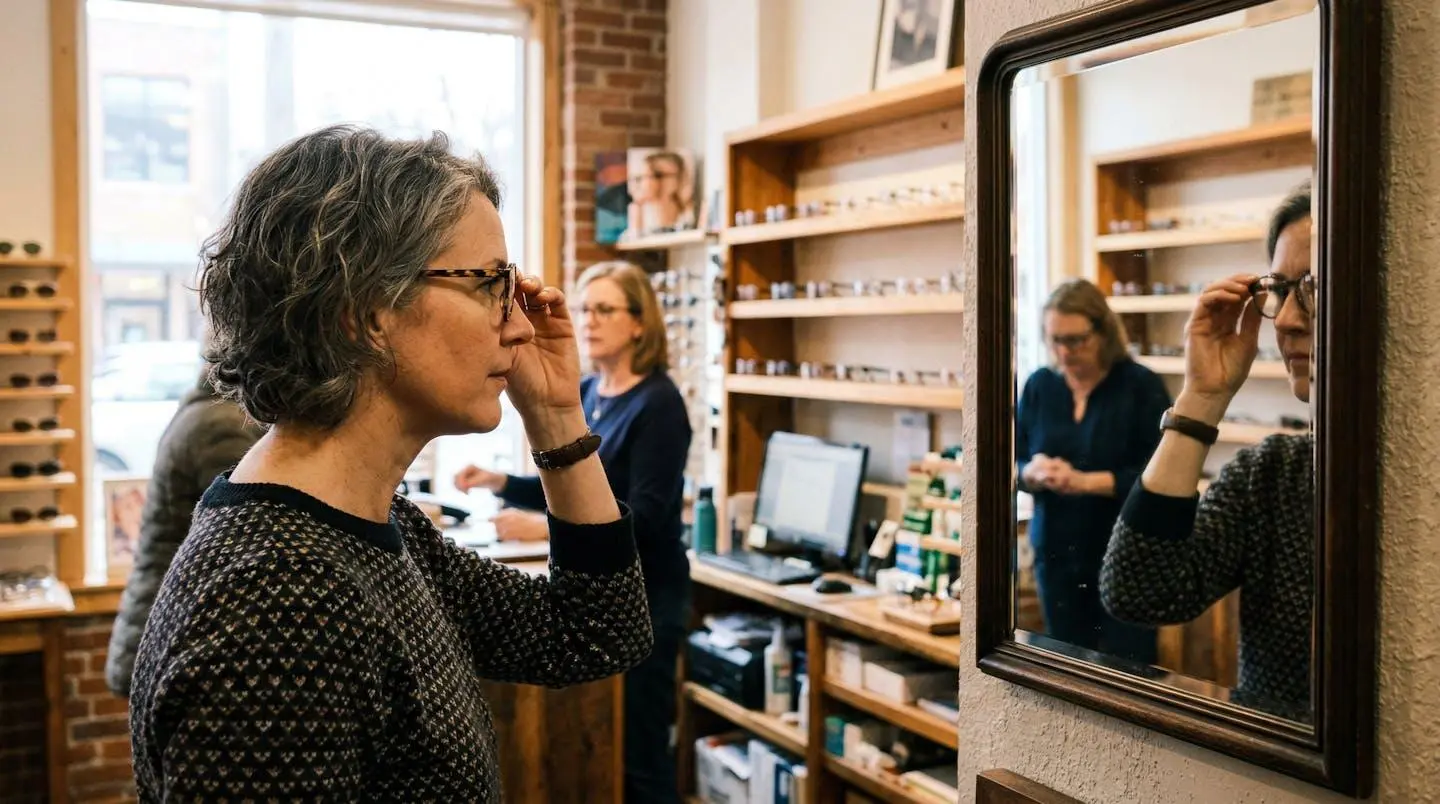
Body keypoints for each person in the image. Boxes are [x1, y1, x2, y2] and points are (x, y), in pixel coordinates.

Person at [127, 125, 654, 801]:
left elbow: (597, 632)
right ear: (365, 311)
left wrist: (555, 416)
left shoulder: (377, 526)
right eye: (489, 284)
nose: (522, 325)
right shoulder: (278, 604)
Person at [455, 259, 692, 804]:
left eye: (605, 309)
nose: (589, 320)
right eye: (584, 308)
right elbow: (571, 484)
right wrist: (500, 481)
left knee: (638, 751)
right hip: (602, 588)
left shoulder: (659, 403)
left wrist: (542, 529)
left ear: (640, 323)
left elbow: (648, 516)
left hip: (650, 597)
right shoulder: (588, 389)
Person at [1101, 180, 1315, 715]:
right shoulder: (1273, 475)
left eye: (1314, 287)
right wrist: (1203, 396)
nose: (1289, 320)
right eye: (1281, 289)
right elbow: (1138, 591)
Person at [1016, 278, 1171, 664]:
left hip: (1125, 558)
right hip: (1056, 555)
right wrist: (1032, 472)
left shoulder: (1141, 387)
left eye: (1075, 340)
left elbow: (1161, 478)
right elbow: (1012, 462)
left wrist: (1085, 482)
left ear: (1103, 333)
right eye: (1054, 340)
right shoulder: (1039, 386)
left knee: (1127, 673)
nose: (1063, 352)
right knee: (1066, 668)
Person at [104, 367, 264, 698]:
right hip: (172, 631)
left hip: (160, 622)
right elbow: (247, 532)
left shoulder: (205, 413)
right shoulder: (222, 426)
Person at [626, 150, 694, 236]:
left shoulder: (686, 219)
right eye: (640, 177)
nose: (642, 182)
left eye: (658, 175)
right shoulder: (638, 215)